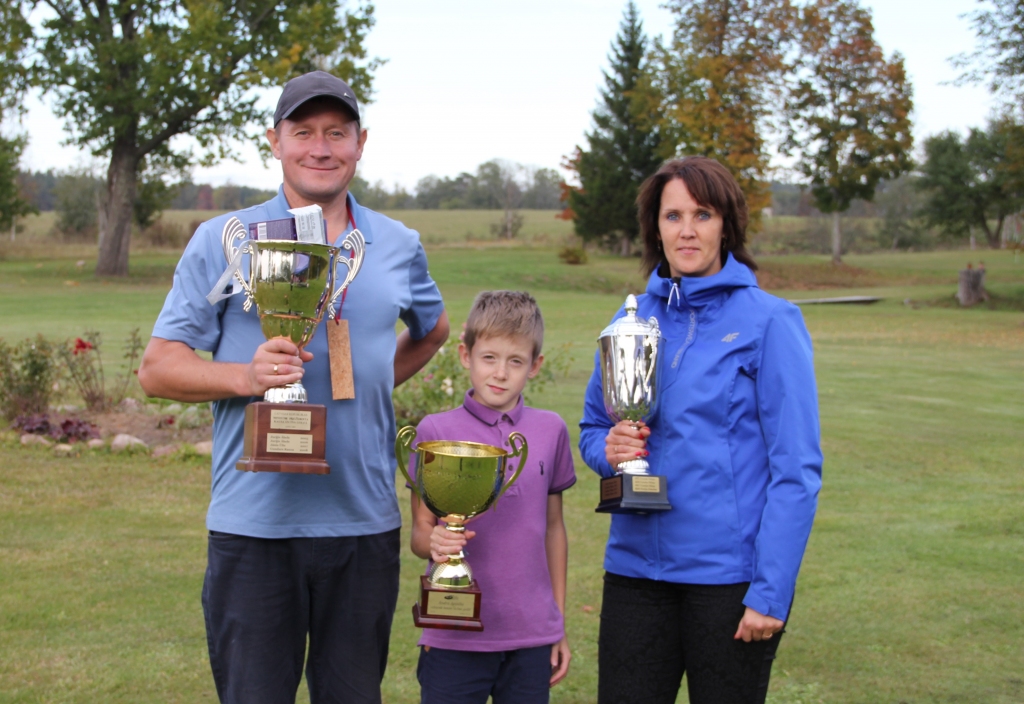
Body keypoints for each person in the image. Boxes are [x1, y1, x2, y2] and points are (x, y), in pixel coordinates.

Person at [137, 71, 450, 704]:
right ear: (275, 142)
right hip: (255, 527)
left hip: (363, 525)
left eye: (337, 132)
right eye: (302, 131)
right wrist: (245, 378)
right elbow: (158, 366)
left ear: (361, 143)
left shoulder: (397, 244)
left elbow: (434, 329)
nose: (320, 147)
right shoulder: (225, 238)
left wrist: (364, 385)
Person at [578, 156, 822, 704]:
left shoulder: (771, 322)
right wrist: (610, 449)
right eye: (672, 216)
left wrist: (771, 592)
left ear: (726, 224)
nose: (686, 230)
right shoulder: (629, 324)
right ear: (654, 227)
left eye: (702, 214)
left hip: (729, 585)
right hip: (635, 576)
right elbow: (594, 427)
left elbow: (797, 470)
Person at [407, 291, 575, 704]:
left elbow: (553, 529)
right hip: (453, 634)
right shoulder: (434, 432)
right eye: (489, 358)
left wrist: (557, 623)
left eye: (515, 361)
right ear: (466, 355)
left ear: (534, 366)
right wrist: (435, 543)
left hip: (531, 637)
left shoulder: (550, 430)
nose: (500, 373)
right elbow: (419, 533)